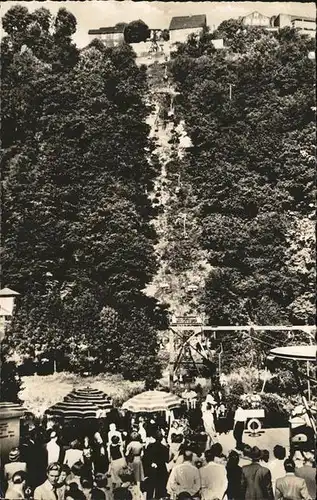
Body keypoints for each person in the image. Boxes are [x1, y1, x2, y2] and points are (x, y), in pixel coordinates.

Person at [143, 431, 169, 499]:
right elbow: (166, 459)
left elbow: (146, 458)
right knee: (159, 487)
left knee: (150, 486)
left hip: (151, 468)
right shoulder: (164, 448)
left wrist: (151, 463)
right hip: (161, 468)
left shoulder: (150, 446)